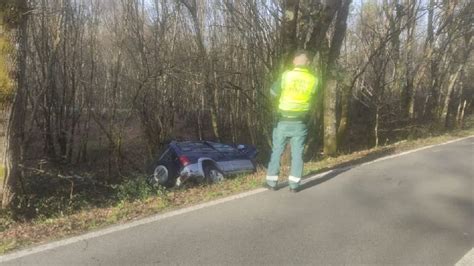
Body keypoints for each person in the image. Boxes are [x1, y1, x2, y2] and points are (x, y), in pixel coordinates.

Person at [266, 50, 318, 192]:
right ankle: (294, 185)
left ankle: (272, 183)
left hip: (283, 120)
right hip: (300, 122)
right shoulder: (314, 80)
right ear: (308, 63)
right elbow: (314, 98)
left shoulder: (286, 76)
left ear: (294, 61)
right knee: (297, 154)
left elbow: (273, 92)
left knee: (277, 151)